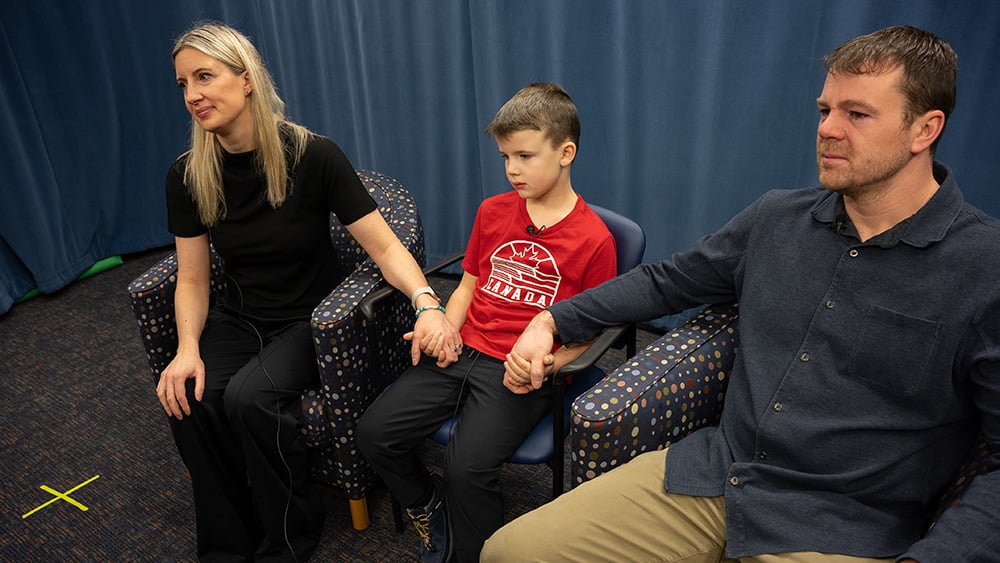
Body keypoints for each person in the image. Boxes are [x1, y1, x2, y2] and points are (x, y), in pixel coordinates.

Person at [483, 25, 1000, 563]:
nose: (828, 130)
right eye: (825, 111)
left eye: (858, 114)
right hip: (717, 478)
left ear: (925, 129)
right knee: (511, 551)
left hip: (844, 526)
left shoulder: (985, 267)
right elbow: (668, 281)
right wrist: (554, 320)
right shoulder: (778, 217)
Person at [157, 22, 460, 562]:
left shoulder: (313, 156)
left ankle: (289, 539)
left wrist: (428, 301)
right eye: (183, 84)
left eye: (204, 77)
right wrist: (185, 352)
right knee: (189, 397)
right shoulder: (187, 175)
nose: (193, 95)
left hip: (308, 323)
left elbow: (387, 251)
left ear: (245, 79)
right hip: (240, 318)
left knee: (250, 399)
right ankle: (227, 545)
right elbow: (193, 278)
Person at [356, 83, 618, 562]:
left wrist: (551, 362)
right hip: (462, 350)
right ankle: (429, 506)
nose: (512, 169)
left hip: (517, 371)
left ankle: (476, 554)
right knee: (374, 433)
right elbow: (469, 286)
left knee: (466, 469)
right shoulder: (492, 211)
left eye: (524, 155)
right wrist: (444, 326)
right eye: (504, 157)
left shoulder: (594, 240)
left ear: (566, 152)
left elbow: (597, 332)